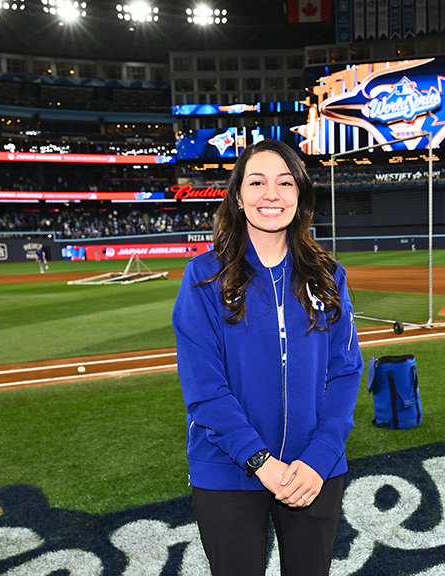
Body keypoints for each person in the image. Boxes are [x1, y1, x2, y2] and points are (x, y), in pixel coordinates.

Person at [172, 139, 363, 576]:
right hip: (228, 470)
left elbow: (346, 370)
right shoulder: (204, 277)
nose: (271, 194)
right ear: (238, 196)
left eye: (285, 182)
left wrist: (321, 457)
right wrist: (258, 460)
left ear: (300, 194)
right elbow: (204, 389)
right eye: (257, 182)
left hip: (313, 471)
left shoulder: (329, 275)